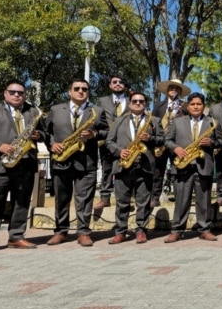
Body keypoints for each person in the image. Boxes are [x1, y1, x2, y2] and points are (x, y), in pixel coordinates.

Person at [0, 80, 45, 254]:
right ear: (5, 94)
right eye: (12, 92)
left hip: (25, 164)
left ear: (25, 95)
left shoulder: (33, 111)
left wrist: (38, 135)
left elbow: (44, 134)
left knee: (21, 203)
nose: (16, 95)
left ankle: (16, 236)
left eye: (20, 92)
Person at [45, 79, 107, 247]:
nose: (81, 91)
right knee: (61, 198)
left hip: (87, 162)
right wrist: (52, 144)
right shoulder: (56, 110)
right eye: (77, 88)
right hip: (61, 160)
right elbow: (45, 131)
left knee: (85, 199)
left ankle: (84, 232)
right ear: (69, 91)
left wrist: (94, 134)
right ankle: (61, 231)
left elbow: (106, 131)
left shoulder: (97, 110)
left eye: (84, 89)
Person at [104, 92, 163, 244]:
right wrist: (119, 151)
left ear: (145, 104)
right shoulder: (119, 120)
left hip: (145, 166)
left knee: (143, 201)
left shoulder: (154, 121)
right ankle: (120, 232)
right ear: (129, 104)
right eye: (135, 101)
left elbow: (162, 140)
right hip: (123, 166)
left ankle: (141, 230)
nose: (138, 103)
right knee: (122, 201)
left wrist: (150, 138)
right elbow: (109, 142)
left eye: (141, 101)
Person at [163, 92, 222, 242]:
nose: (196, 107)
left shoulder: (212, 122)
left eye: (199, 104)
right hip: (183, 166)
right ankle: (177, 230)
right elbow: (167, 140)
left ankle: (204, 229)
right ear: (187, 106)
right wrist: (175, 148)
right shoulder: (177, 122)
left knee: (204, 201)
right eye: (193, 104)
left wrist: (212, 143)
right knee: (181, 201)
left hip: (203, 166)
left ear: (203, 106)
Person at [150, 78, 190, 207]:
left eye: (177, 88)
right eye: (171, 88)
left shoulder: (184, 106)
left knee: (178, 170)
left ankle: (179, 197)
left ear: (180, 92)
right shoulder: (159, 105)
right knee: (157, 170)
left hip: (176, 142)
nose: (174, 90)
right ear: (167, 91)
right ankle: (155, 197)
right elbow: (152, 123)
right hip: (161, 141)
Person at [94, 74, 128, 210]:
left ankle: (124, 200)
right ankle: (105, 198)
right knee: (106, 169)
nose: (118, 84)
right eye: (114, 82)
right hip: (107, 141)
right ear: (110, 85)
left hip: (125, 141)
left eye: (121, 82)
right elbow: (97, 119)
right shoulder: (102, 101)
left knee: (125, 171)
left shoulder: (132, 101)